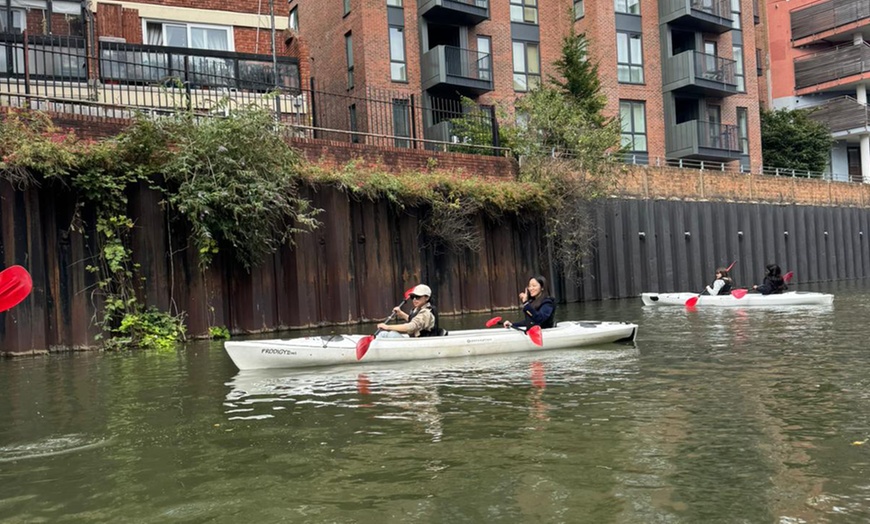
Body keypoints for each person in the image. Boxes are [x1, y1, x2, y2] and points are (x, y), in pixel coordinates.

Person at [377, 284, 443, 338]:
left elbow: (411, 326)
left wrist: (387, 327)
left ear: (427, 298)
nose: (414, 299)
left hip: (421, 344)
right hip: (417, 342)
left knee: (390, 334)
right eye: (412, 297)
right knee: (384, 334)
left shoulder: (426, 313)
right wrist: (401, 314)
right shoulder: (419, 309)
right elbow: (415, 320)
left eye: (418, 297)